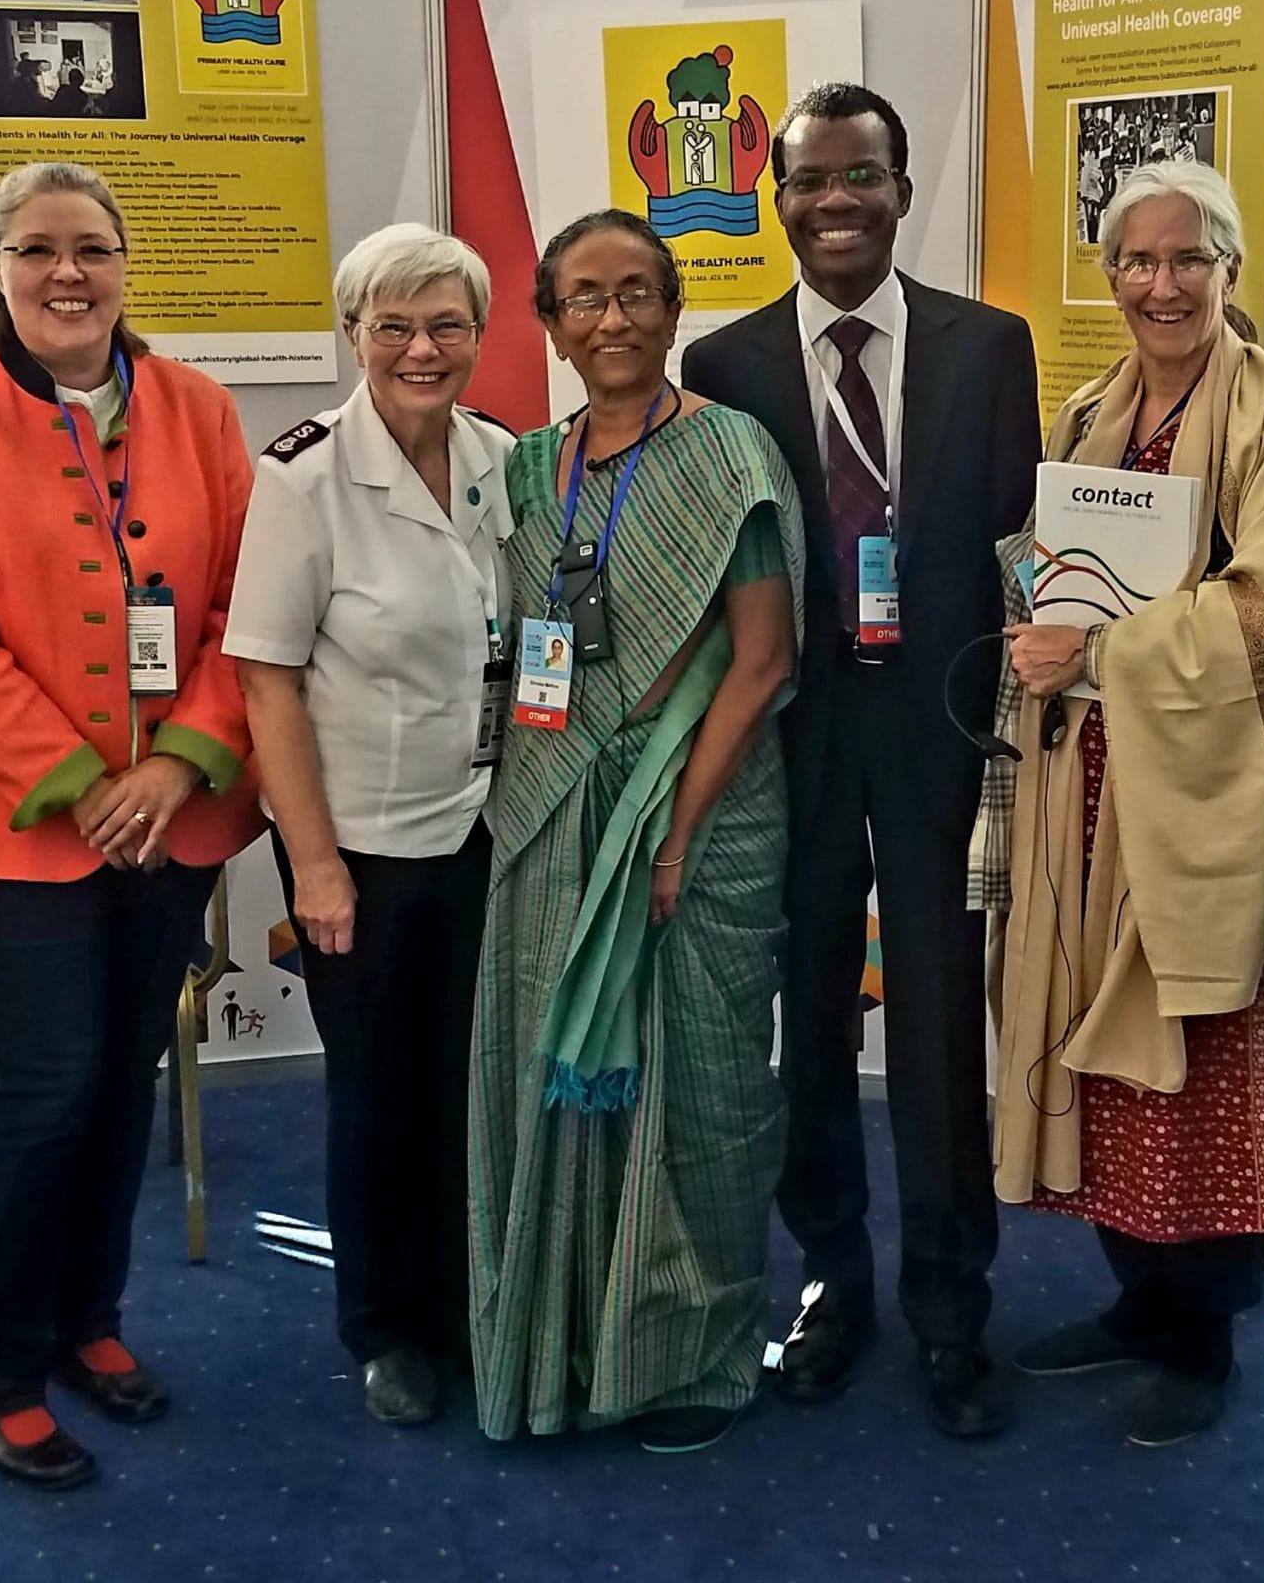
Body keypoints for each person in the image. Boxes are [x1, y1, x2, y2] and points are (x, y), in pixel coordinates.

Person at [0, 161, 262, 1491]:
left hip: (171, 816)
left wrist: (179, 767)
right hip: (9, 822)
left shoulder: (202, 409)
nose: (66, 274)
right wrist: (80, 776)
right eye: (36, 249)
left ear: (125, 263)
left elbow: (240, 618)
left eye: (91, 248)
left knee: (122, 1084)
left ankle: (90, 1324)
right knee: (45, 1090)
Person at [682, 82, 1040, 1438]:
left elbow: (1021, 545)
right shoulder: (722, 368)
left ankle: (954, 1307)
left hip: (944, 725)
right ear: (776, 200)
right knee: (812, 1014)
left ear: (902, 188)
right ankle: (832, 1281)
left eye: (862, 178)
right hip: (799, 724)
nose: (837, 203)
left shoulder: (990, 347)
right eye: (810, 182)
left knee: (947, 1019)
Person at [979, 160, 1264, 1449]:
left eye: (1190, 260)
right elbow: (1058, 567)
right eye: (1137, 261)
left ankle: (1206, 1330)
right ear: (1108, 274)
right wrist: (1036, 620)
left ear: (1231, 271)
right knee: (1101, 1046)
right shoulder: (1088, 410)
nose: (1162, 285)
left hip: (1204, 795)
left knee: (1201, 1050)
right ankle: (1136, 1298)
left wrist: (1100, 651)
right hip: (1085, 787)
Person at [471, 208, 803, 1454]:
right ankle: (561, 1341)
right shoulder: (520, 469)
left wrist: (669, 833)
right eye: (584, 299)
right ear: (551, 326)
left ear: (674, 310)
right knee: (556, 1083)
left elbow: (762, 662)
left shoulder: (733, 454)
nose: (613, 319)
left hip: (703, 819)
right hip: (554, 809)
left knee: (702, 1091)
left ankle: (690, 1361)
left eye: (637, 293)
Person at [228, 225, 516, 1428]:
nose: (420, 347)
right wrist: (313, 865)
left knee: (468, 1089)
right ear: (354, 337)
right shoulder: (301, 478)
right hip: (364, 857)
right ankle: (384, 1327)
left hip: (485, 833)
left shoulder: (505, 458)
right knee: (377, 1097)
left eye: (447, 324)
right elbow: (266, 680)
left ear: (478, 338)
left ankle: (464, 1309)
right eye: (392, 325)